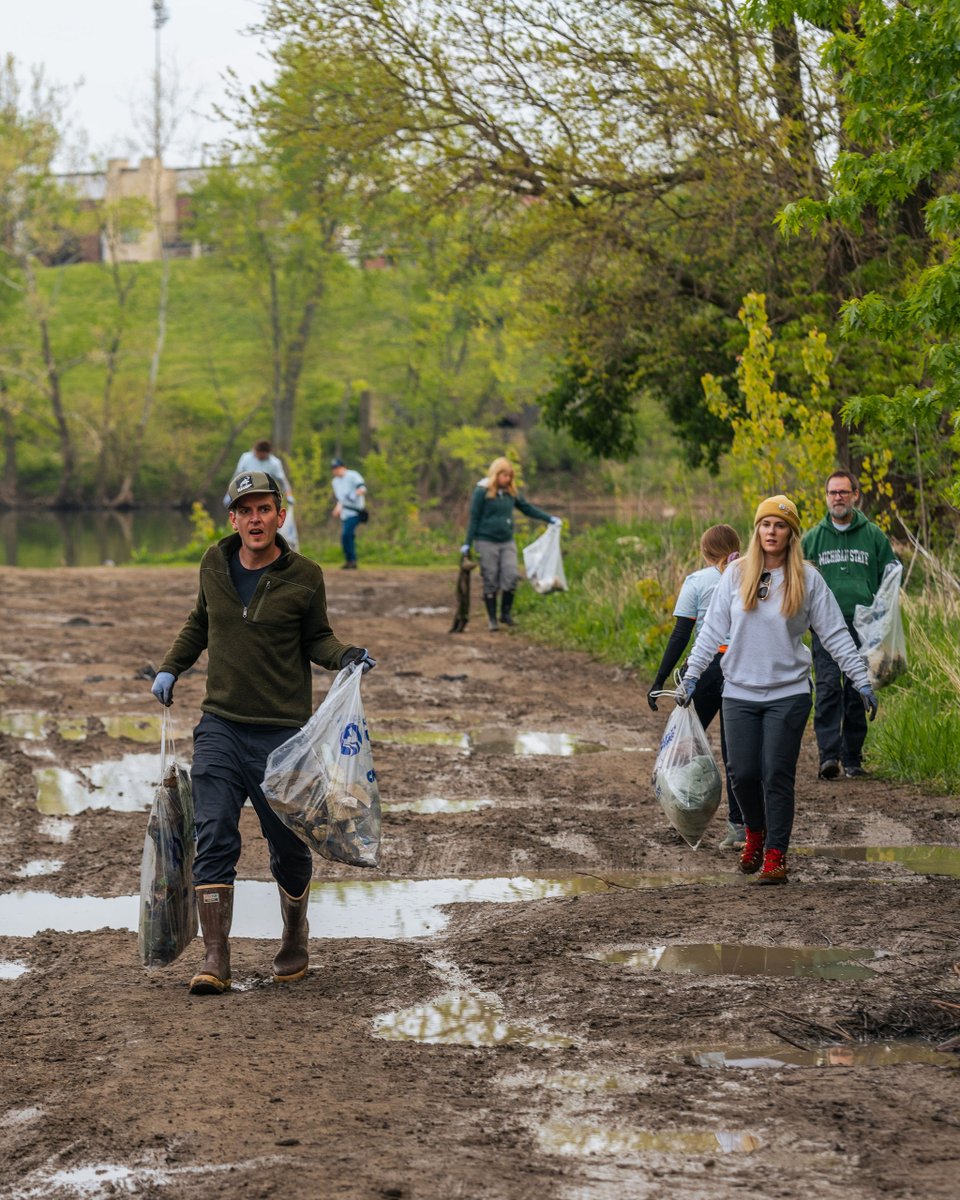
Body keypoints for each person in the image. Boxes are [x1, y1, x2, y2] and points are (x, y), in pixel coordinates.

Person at [150, 469, 376, 994]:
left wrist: (345, 656)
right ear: (233, 518)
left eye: (264, 509)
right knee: (213, 833)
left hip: (283, 737)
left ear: (280, 515)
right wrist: (170, 667)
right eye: (245, 510)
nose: (255, 519)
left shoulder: (306, 575)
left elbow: (317, 638)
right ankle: (215, 956)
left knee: (290, 848)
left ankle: (294, 934)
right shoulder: (213, 563)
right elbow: (200, 623)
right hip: (221, 727)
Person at [677, 495, 878, 885]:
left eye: (780, 525)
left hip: (788, 693)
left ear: (792, 533)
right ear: (757, 530)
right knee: (743, 774)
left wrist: (861, 680)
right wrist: (691, 676)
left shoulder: (808, 579)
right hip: (739, 691)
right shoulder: (737, 574)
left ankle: (775, 856)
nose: (772, 531)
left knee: (776, 774)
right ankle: (754, 832)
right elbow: (711, 632)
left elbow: (835, 635)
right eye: (766, 524)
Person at [647, 524, 745, 849]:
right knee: (735, 752)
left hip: (704, 669)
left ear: (704, 552)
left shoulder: (697, 581)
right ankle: (738, 827)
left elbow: (681, 634)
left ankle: (685, 810)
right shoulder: (751, 577)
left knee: (683, 745)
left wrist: (659, 678)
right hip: (741, 667)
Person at [802, 470, 898, 779]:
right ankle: (828, 757)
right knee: (828, 687)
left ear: (855, 495)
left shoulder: (873, 535)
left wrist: (883, 614)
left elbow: (890, 575)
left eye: (844, 492)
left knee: (859, 688)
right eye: (833, 492)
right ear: (826, 497)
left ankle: (853, 758)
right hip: (825, 625)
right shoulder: (813, 539)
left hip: (865, 624)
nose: (838, 497)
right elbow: (798, 581)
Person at [460, 456, 561, 632]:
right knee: (490, 577)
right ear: (496, 474)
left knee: (511, 575)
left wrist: (548, 518)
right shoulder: (482, 492)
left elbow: (527, 508)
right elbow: (474, 518)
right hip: (486, 541)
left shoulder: (510, 493)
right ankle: (492, 619)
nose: (507, 479)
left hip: (506, 541)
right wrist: (467, 543)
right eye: (504, 476)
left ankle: (505, 614)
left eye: (509, 476)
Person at [227, 439, 299, 552]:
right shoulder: (246, 458)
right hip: (244, 495)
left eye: (263, 454)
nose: (260, 456)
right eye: (258, 453)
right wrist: (229, 494)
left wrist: (289, 494)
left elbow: (283, 481)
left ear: (268, 453)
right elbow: (236, 476)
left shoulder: (274, 463)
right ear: (255, 451)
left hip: (266, 496)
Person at [330, 457, 367, 569]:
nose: (335, 470)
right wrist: (337, 508)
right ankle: (350, 561)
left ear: (343, 467)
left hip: (355, 512)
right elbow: (341, 499)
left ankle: (352, 560)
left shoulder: (353, 475)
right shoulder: (335, 482)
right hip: (345, 513)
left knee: (346, 534)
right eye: (334, 468)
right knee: (347, 536)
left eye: (337, 468)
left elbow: (362, 488)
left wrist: (355, 494)